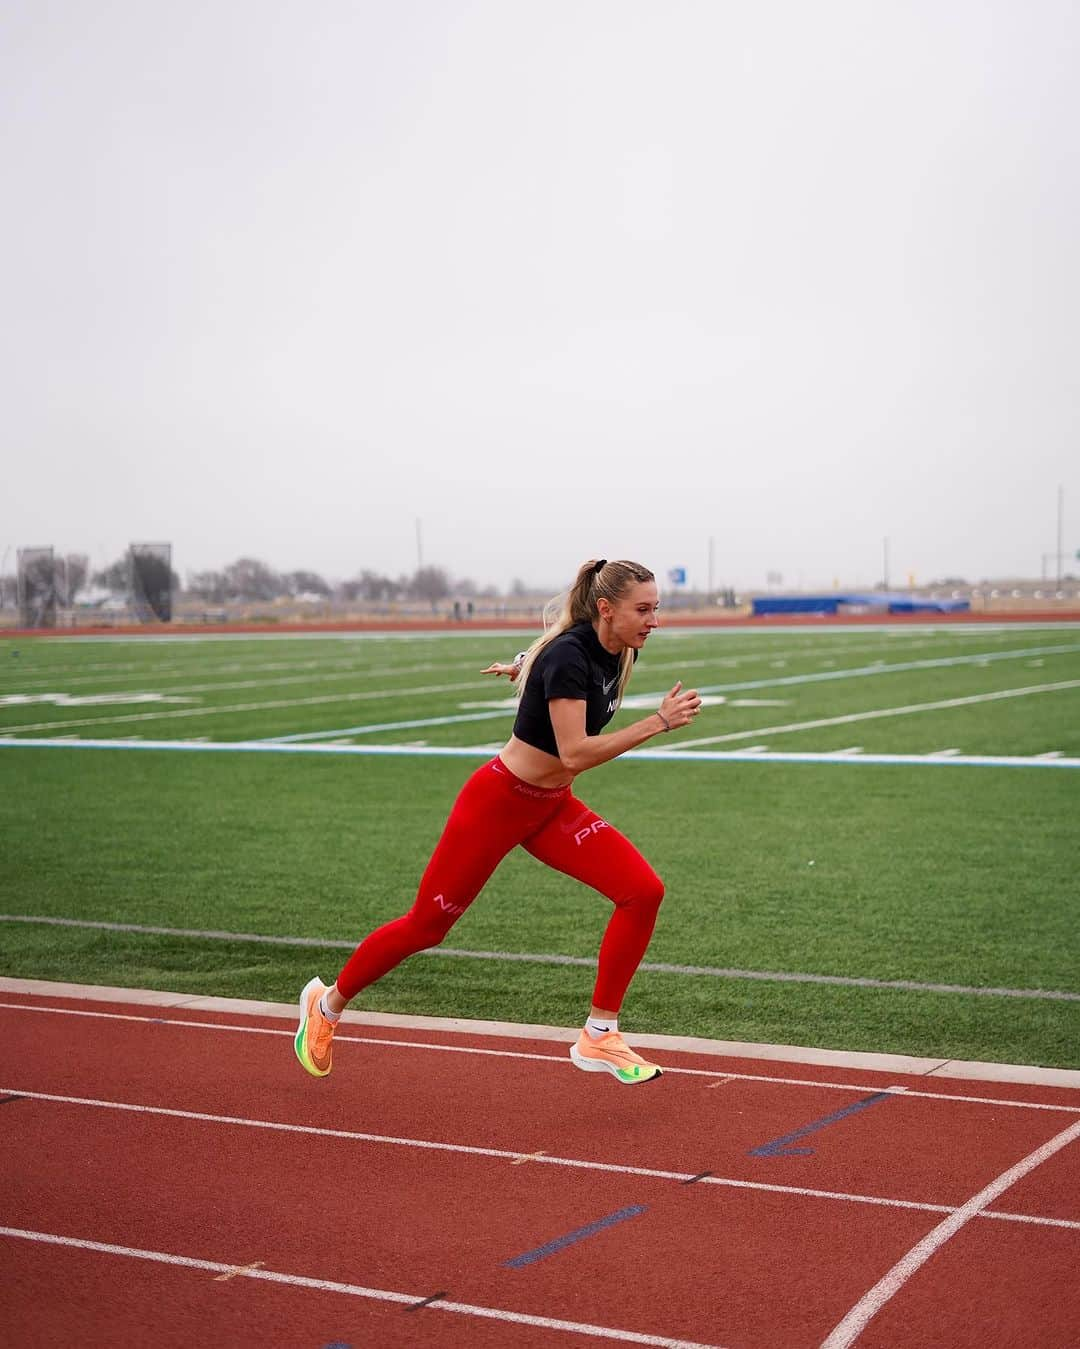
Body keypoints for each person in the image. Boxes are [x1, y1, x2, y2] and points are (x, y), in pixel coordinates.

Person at [294, 558, 702, 1085]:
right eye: (643, 609)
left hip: (551, 807)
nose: (654, 620)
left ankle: (600, 1034)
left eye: (656, 608)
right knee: (427, 927)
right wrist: (658, 721)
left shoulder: (614, 650)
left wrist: (523, 666)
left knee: (642, 891)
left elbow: (554, 665)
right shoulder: (569, 658)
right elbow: (575, 751)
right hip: (497, 804)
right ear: (606, 609)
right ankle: (325, 1007)